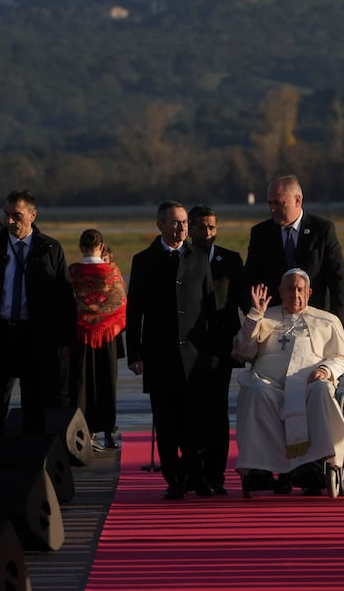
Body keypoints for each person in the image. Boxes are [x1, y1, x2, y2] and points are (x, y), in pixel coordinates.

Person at [0, 190, 75, 436]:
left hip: (35, 337)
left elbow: (65, 299)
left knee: (36, 405)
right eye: (7, 215)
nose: (10, 221)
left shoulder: (50, 248)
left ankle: (31, 465)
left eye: (17, 215)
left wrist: (65, 341)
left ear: (33, 215)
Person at [232, 270, 344, 497]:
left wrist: (325, 370)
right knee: (255, 390)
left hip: (308, 386)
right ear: (280, 291)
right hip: (271, 387)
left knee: (320, 391)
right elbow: (243, 351)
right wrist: (255, 316)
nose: (294, 294)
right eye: (289, 289)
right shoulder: (265, 316)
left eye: (299, 289)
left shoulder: (327, 320)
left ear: (309, 293)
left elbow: (341, 358)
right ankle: (259, 470)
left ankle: (315, 465)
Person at [125, 201, 215, 499]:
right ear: (160, 225)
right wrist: (134, 353)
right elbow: (134, 310)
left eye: (185, 222)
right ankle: (175, 479)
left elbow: (210, 307)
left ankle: (197, 477)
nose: (182, 228)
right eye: (175, 223)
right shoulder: (144, 260)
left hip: (194, 355)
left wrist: (213, 351)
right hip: (159, 355)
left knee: (196, 420)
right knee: (166, 422)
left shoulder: (199, 257)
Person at [187, 206, 246, 494]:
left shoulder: (231, 260)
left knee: (217, 413)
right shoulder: (180, 259)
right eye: (201, 227)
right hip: (189, 352)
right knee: (191, 413)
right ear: (189, 228)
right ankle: (192, 473)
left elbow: (243, 304)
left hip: (222, 350)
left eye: (212, 227)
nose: (207, 233)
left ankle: (216, 474)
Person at [244, 176, 344, 322]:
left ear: (297, 200)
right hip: (273, 321)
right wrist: (255, 318)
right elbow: (251, 279)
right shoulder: (260, 234)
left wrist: (337, 324)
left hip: (315, 321)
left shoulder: (322, 230)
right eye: (270, 203)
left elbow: (338, 281)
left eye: (278, 203)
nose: (272, 209)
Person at [68, 229, 126, 453]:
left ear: (81, 247)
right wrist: (104, 319)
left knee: (81, 385)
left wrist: (86, 317)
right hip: (107, 335)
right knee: (107, 383)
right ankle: (109, 432)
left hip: (80, 335)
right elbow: (120, 303)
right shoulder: (111, 271)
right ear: (101, 247)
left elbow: (67, 302)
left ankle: (83, 432)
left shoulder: (73, 272)